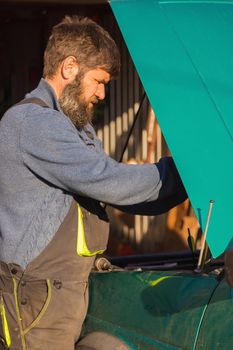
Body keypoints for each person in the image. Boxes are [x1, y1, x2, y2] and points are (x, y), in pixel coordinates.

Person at [0, 15, 187, 350]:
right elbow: (107, 180)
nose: (102, 93)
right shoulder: (33, 123)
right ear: (70, 67)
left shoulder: (74, 126)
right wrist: (184, 172)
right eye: (99, 81)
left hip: (66, 289)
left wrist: (189, 184)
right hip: (38, 297)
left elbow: (120, 193)